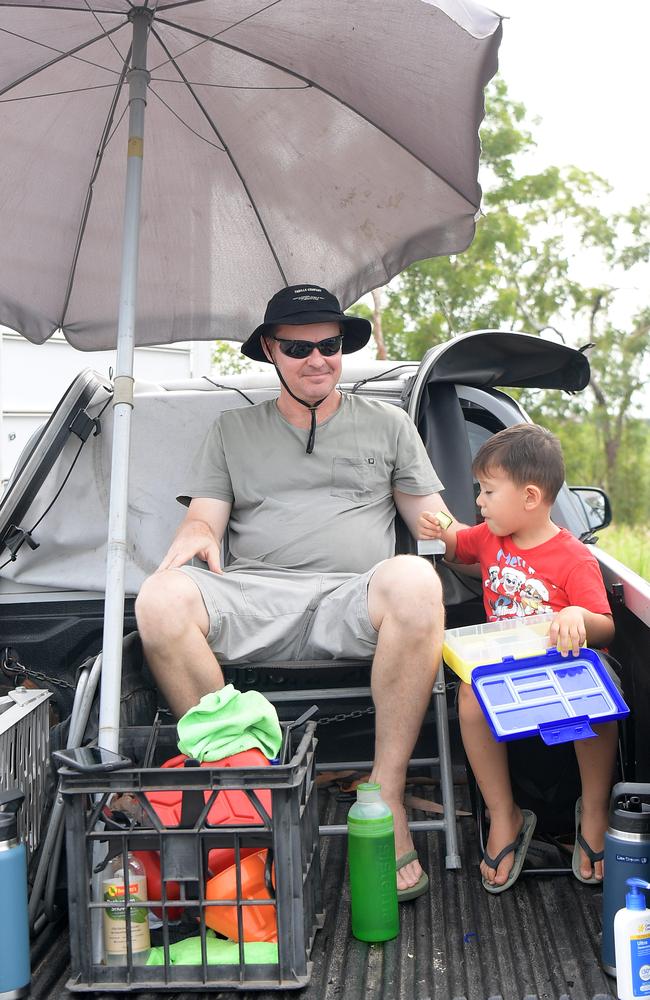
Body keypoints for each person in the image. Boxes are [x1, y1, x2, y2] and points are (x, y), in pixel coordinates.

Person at [135, 283, 453, 901]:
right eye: (298, 347)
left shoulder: (388, 425)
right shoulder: (231, 430)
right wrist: (194, 536)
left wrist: (520, 543)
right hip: (253, 594)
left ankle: (384, 798)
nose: (317, 359)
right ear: (269, 351)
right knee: (158, 598)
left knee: (416, 578)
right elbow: (204, 518)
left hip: (352, 598)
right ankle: (244, 793)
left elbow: (434, 525)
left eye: (329, 345)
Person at [417, 423, 617, 893]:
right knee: (470, 696)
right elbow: (458, 540)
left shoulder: (574, 558)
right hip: (506, 670)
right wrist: (440, 528)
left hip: (564, 667)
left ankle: (593, 808)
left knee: (597, 697)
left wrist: (575, 615)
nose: (480, 502)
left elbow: (606, 626)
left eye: (487, 491)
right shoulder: (489, 538)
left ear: (529, 497)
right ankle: (503, 812)